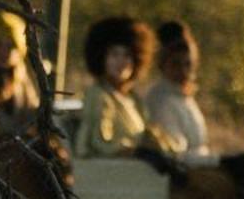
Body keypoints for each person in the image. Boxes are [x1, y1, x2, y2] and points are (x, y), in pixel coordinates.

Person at [74, 15, 182, 158]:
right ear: (101, 58)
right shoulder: (98, 95)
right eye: (114, 55)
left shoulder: (133, 99)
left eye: (127, 55)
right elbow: (101, 144)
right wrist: (137, 151)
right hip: (111, 174)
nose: (121, 62)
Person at [144, 21, 210, 160]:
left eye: (188, 64)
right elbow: (176, 153)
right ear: (163, 64)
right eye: (176, 64)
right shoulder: (160, 100)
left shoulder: (184, 97)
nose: (183, 72)